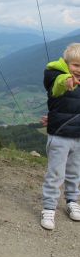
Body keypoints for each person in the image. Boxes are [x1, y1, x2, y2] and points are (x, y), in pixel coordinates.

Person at [41, 43, 80, 230]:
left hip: (78, 137)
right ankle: (49, 207)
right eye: (76, 65)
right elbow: (57, 86)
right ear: (66, 63)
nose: (78, 70)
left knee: (74, 173)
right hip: (60, 136)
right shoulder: (55, 75)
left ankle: (72, 200)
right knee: (56, 174)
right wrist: (67, 81)